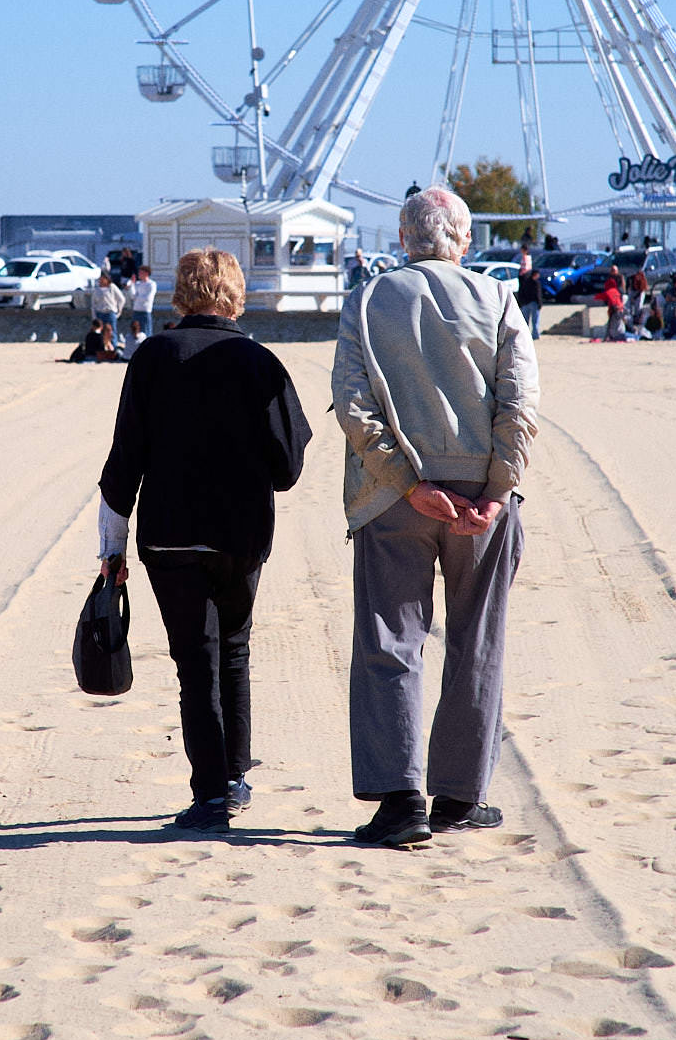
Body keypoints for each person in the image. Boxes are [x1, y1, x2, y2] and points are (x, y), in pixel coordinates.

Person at [332, 186, 538, 849]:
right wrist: (498, 490)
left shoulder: (367, 300)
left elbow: (351, 405)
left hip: (395, 500)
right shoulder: (499, 299)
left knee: (391, 640)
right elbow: (520, 406)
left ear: (403, 237)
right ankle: (456, 794)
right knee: (477, 642)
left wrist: (404, 481)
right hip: (480, 494)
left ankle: (399, 800)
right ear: (463, 240)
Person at [96, 248, 311, 832]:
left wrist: (110, 548)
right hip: (240, 535)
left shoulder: (151, 357)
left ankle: (211, 795)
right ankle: (234, 779)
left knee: (195, 659)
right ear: (235, 295)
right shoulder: (260, 362)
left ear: (180, 295)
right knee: (234, 651)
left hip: (169, 535)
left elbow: (124, 464)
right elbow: (289, 468)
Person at [515, 249, 545, 339]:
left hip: (525, 303)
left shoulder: (525, 282)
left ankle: (525, 336)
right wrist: (540, 303)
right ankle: (535, 335)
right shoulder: (536, 283)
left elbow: (521, 291)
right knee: (535, 321)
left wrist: (521, 301)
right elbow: (538, 294)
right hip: (534, 303)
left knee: (525, 321)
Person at [90, 269, 124, 348]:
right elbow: (93, 305)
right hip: (100, 313)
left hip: (110, 313)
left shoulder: (112, 287)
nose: (101, 280)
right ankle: (101, 348)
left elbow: (121, 299)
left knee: (112, 332)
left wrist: (119, 311)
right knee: (100, 332)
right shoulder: (97, 289)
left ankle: (113, 348)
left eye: (103, 278)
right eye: (100, 279)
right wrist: (94, 316)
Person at [125, 264, 158, 347]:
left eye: (141, 272)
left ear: (146, 273)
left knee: (146, 332)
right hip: (136, 310)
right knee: (135, 333)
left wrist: (137, 297)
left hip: (145, 311)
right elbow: (132, 296)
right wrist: (132, 284)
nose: (139, 274)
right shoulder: (138, 284)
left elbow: (147, 298)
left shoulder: (151, 284)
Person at [594, 272, 628, 341]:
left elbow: (598, 297)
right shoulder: (618, 292)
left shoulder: (611, 291)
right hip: (617, 311)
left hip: (614, 311)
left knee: (612, 326)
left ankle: (607, 337)